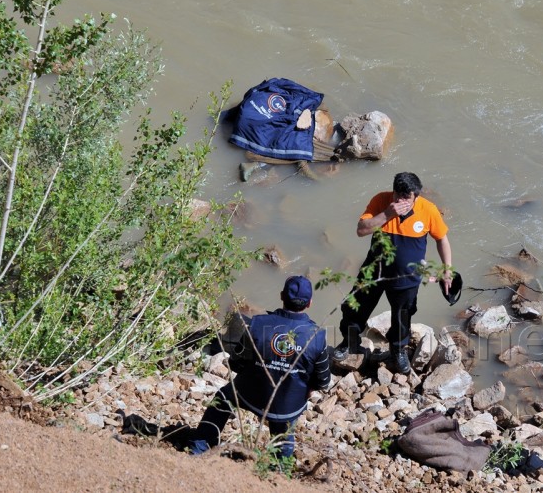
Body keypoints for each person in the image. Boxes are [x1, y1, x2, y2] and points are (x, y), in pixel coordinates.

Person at [187, 276, 330, 459]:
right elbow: (323, 381)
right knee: (284, 428)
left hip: (249, 395)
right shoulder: (317, 336)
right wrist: (306, 387)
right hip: (286, 405)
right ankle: (280, 468)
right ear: (309, 303)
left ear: (281, 296)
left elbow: (236, 363)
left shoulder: (257, 324)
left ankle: (200, 448)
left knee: (223, 399)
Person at [332, 172, 452, 375]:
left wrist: (447, 270)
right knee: (353, 310)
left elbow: (442, 239)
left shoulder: (428, 210)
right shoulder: (381, 201)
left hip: (406, 279)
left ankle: (398, 351)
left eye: (408, 198)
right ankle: (349, 343)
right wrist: (388, 214)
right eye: (399, 196)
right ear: (394, 192)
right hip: (373, 272)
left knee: (402, 318)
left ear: (416, 196)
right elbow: (361, 230)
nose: (402, 202)